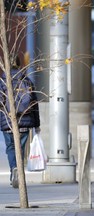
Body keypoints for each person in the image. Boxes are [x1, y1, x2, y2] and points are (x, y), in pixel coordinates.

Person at [0, 56, 40, 188]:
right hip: (24, 121)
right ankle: (19, 172)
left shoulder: (3, 81)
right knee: (20, 149)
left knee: (11, 147)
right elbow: (34, 104)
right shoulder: (27, 80)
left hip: (8, 121)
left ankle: (14, 169)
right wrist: (37, 124)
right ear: (19, 64)